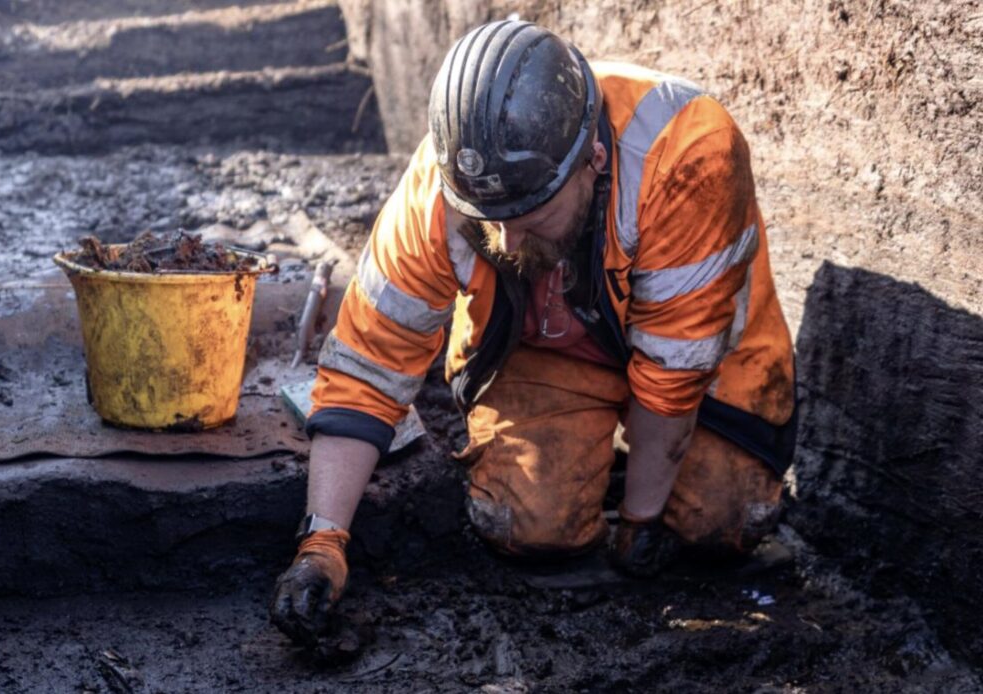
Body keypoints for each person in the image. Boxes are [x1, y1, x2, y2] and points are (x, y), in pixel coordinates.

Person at [269, 19, 796, 642]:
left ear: (593, 163)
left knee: (723, 524)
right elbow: (366, 370)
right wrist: (322, 542)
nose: (504, 241)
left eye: (529, 215)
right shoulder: (438, 195)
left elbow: (672, 378)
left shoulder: (689, 156)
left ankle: (637, 483)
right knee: (525, 528)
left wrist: (640, 523)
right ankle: (591, 459)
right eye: (485, 219)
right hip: (552, 351)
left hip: (702, 357)